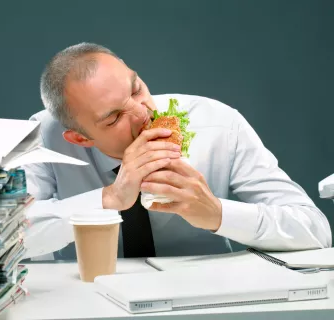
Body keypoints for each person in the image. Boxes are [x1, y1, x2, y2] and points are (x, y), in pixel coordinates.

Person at [21, 42, 332, 261]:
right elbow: (10, 240)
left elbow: (315, 231)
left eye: (136, 89)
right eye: (114, 117)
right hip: (83, 298)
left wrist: (217, 214)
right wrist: (109, 198)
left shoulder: (218, 125)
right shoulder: (43, 138)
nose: (143, 114)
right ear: (80, 138)